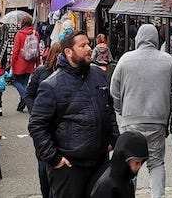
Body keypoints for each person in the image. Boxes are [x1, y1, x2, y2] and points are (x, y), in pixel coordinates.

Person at [28, 30, 120, 198]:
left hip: (100, 161)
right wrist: (54, 159)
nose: (88, 48)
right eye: (82, 45)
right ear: (68, 52)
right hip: (70, 166)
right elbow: (37, 125)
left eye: (88, 44)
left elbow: (108, 108)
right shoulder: (51, 85)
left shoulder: (98, 75)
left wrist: (113, 138)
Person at [109, 24, 172, 198]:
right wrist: (167, 110)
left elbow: (114, 90)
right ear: (156, 39)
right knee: (156, 163)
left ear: (138, 38)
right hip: (157, 120)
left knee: (130, 161)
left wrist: (121, 110)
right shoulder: (167, 61)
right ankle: (158, 196)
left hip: (131, 120)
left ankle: (128, 194)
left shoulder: (125, 60)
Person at [28, 39, 64, 198]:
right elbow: (29, 95)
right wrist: (35, 110)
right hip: (43, 127)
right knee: (43, 171)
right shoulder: (41, 72)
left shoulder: (68, 75)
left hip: (60, 129)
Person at [89, 130, 149, 198]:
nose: (139, 167)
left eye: (142, 162)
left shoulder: (126, 180)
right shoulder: (107, 185)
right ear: (124, 159)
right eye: (137, 163)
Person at [11, 14, 39, 112]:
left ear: (22, 23)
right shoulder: (35, 33)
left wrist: (12, 62)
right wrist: (37, 62)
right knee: (24, 83)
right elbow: (37, 49)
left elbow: (16, 50)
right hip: (30, 62)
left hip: (19, 62)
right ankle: (21, 105)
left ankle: (27, 99)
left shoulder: (20, 34)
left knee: (16, 82)